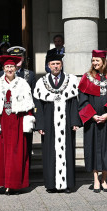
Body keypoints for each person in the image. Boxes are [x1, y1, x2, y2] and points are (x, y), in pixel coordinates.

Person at [0, 55, 35, 194]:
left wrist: (28, 120)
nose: (9, 69)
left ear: (16, 68)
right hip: (1, 122)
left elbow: (28, 106)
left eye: (11, 67)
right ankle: (4, 183)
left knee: (16, 154)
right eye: (7, 67)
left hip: (17, 122)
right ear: (3, 69)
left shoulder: (23, 83)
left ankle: (14, 183)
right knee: (1, 154)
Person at [78, 50, 107, 192]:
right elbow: (82, 99)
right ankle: (95, 180)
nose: (95, 63)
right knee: (92, 149)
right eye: (93, 60)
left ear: (104, 61)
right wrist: (92, 115)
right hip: (92, 122)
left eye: (97, 60)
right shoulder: (87, 77)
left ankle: (104, 179)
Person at [34, 52, 81, 193]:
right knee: (49, 153)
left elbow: (74, 102)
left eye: (58, 64)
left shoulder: (70, 80)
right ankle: (51, 184)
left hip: (66, 123)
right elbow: (38, 105)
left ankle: (66, 184)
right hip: (48, 123)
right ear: (48, 66)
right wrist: (40, 124)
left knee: (67, 151)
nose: (55, 66)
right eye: (53, 64)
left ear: (61, 65)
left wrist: (74, 121)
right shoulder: (41, 82)